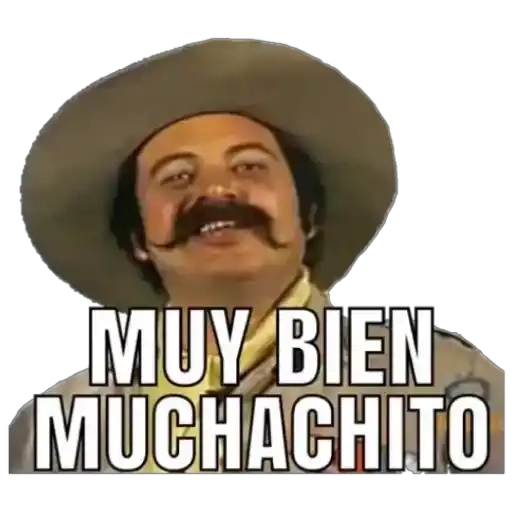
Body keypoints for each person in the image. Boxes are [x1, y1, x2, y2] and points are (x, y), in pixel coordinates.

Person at [13, 39, 503, 473]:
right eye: (176, 176)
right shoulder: (60, 424)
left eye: (250, 166)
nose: (218, 189)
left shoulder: (443, 385)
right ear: (138, 239)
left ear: (309, 216)